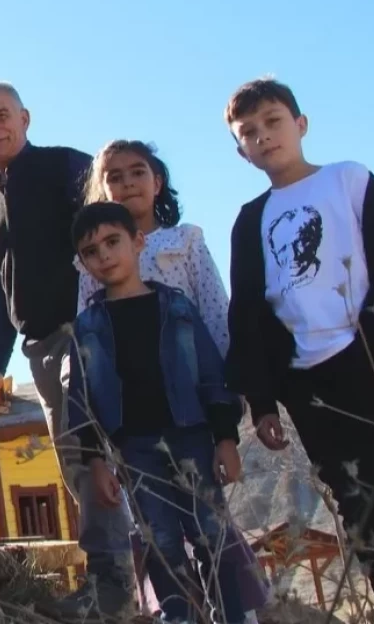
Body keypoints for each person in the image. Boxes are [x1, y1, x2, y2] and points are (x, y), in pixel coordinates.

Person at [222, 77, 374, 623]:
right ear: (241, 150)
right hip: (310, 382)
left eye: (273, 121)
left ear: (300, 124)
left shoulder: (347, 181)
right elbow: (249, 313)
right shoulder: (250, 221)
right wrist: (262, 399)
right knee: (356, 505)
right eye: (250, 132)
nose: (264, 136)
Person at [78, 140, 269, 620]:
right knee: (158, 538)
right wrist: (96, 456)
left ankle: (235, 614)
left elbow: (213, 345)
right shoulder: (90, 322)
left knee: (212, 528)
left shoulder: (179, 296)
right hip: (133, 444)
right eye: (91, 251)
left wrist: (226, 429)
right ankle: (179, 615)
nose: (104, 256)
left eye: (136, 172)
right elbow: (83, 387)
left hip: (191, 429)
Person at [0, 81, 135, 619]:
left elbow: (118, 235)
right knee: (75, 466)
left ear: (25, 117)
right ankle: (128, 578)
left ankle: (110, 589)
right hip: (37, 346)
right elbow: (0, 287)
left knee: (97, 461)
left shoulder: (69, 168)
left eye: (2, 116)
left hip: (88, 331)